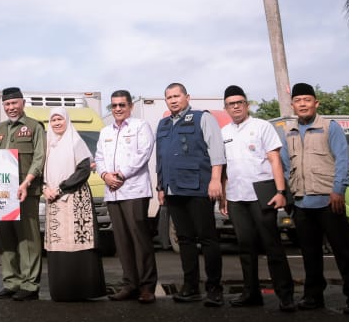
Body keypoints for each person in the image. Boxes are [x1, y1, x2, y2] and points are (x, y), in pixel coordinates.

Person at [283, 82, 349, 315]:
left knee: (344, 250)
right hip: (302, 202)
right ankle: (313, 296)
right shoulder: (288, 132)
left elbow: (342, 160)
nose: (302, 104)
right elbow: (284, 165)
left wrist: (338, 190)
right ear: (293, 105)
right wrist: (289, 195)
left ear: (316, 103)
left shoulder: (330, 127)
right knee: (309, 254)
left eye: (307, 100)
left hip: (328, 200)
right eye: (298, 100)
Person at [219, 85, 296, 312]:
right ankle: (251, 293)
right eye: (231, 104)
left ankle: (286, 295)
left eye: (239, 102)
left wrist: (281, 192)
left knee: (272, 245)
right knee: (245, 246)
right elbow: (223, 169)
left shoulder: (262, 126)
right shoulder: (224, 133)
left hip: (262, 196)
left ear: (246, 104)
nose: (235, 107)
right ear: (226, 108)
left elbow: (275, 160)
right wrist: (222, 198)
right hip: (236, 197)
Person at [155, 82, 226, 307]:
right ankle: (191, 287)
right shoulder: (163, 124)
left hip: (198, 188)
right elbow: (160, 158)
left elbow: (217, 152)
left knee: (207, 239)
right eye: (169, 97)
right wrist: (160, 187)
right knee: (184, 240)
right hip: (173, 189)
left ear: (187, 97)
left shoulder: (202, 118)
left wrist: (216, 180)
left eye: (177, 96)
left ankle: (214, 289)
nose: (173, 100)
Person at [94, 90, 157, 304]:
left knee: (139, 239)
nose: (118, 109)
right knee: (122, 241)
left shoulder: (140, 126)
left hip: (134, 190)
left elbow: (143, 154)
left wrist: (120, 175)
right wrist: (104, 175)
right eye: (114, 106)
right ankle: (129, 284)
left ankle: (147, 287)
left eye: (122, 105)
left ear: (130, 106)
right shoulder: (105, 132)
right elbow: (99, 157)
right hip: (113, 192)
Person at [41, 106, 106, 301]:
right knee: (59, 244)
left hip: (75, 198)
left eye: (60, 119)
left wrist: (61, 188)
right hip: (54, 200)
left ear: (67, 120)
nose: (57, 123)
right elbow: (41, 169)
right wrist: (45, 188)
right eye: (53, 120)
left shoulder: (75, 141)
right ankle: (62, 290)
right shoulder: (48, 144)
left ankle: (84, 289)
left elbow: (83, 170)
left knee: (79, 242)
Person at [0, 86, 45, 301]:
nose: (11, 108)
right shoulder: (0, 128)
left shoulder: (34, 127)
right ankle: (11, 282)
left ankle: (30, 285)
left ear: (23, 103)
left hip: (27, 192)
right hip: (4, 195)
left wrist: (27, 182)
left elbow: (40, 158)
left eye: (14, 103)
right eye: (7, 104)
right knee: (6, 238)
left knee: (27, 239)